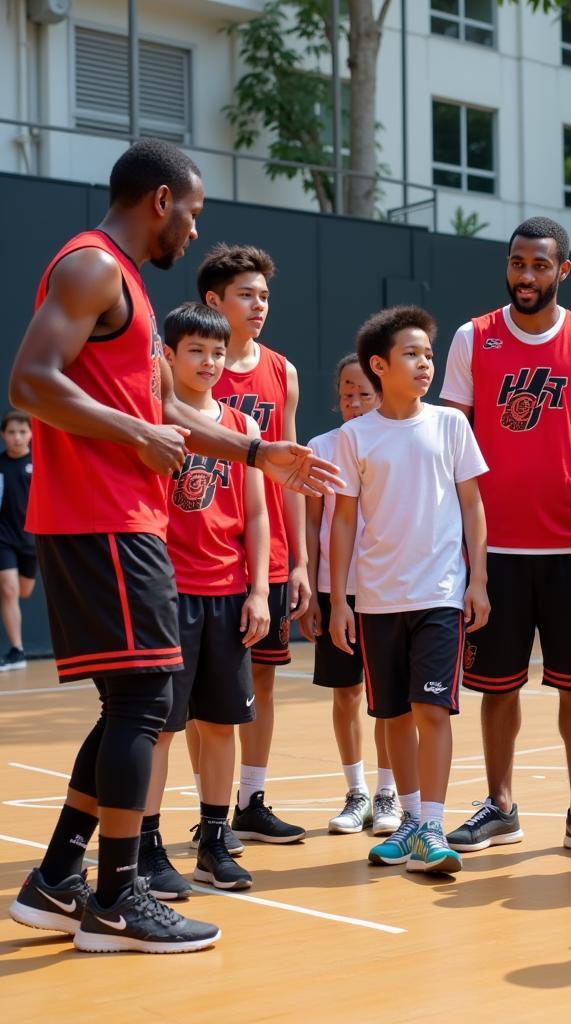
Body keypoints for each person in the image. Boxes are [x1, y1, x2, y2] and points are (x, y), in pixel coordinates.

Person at [6, 139, 341, 954]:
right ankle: (119, 896)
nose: (194, 231)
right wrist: (134, 435)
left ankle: (56, 880)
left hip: (120, 517)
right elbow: (29, 381)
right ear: (161, 199)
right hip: (103, 518)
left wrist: (260, 454)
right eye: (192, 212)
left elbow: (173, 415)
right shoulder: (91, 268)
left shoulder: (129, 292)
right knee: (147, 703)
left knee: (132, 702)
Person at [441, 217, 571, 858]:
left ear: (562, 270)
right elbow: (453, 436)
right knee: (497, 687)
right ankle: (500, 806)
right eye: (518, 263)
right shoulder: (473, 338)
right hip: (496, 547)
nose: (525, 276)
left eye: (539, 266)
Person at [330, 306, 489, 875]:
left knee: (432, 709)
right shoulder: (356, 436)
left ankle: (433, 826)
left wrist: (480, 581)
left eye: (429, 353)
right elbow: (344, 520)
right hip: (376, 599)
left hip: (440, 593)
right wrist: (339, 600)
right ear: (380, 365)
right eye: (412, 354)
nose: (425, 364)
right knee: (392, 715)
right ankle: (413, 823)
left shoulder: (450, 424)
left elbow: (473, 504)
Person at [137, 302, 270, 900]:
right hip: (168, 593)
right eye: (196, 351)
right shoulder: (153, 423)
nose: (210, 362)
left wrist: (260, 588)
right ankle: (144, 847)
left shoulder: (243, 428)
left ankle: (214, 841)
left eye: (218, 352)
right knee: (161, 728)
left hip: (228, 592)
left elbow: (260, 514)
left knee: (221, 726)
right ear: (168, 355)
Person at [195, 243, 309, 844]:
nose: (259, 304)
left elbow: (288, 469)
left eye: (264, 294)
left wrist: (302, 560)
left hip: (267, 549)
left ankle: (251, 800)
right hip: (204, 548)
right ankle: (207, 806)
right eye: (246, 294)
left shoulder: (281, 371)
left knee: (262, 678)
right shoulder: (186, 367)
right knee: (199, 689)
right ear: (213, 300)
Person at [301, 354, 400, 837]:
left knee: (386, 700)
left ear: (381, 392)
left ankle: (387, 792)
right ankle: (356, 790)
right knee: (347, 694)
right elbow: (313, 522)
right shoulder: (320, 448)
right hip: (335, 592)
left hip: (386, 593)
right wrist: (314, 590)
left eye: (363, 393)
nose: (354, 402)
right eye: (346, 394)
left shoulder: (393, 441)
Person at [0, 410, 35, 670]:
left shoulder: (40, 465)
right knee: (8, 589)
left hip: (32, 540)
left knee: (24, 591)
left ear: (31, 435)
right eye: (11, 432)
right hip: (4, 538)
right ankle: (17, 651)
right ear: (4, 435)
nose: (17, 437)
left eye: (22, 432)